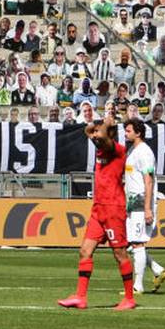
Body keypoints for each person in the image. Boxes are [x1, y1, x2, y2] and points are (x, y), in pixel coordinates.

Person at [57, 115, 135, 310]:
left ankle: (129, 298)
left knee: (120, 254)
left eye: (101, 131)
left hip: (113, 209)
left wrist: (108, 123)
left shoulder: (116, 149)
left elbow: (101, 136)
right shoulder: (101, 146)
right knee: (84, 250)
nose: (96, 136)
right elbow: (88, 131)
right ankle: (80, 297)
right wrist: (98, 122)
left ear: (109, 134)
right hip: (98, 208)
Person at [123, 119, 165, 295]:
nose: (125, 133)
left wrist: (148, 208)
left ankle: (138, 285)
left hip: (141, 203)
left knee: (137, 243)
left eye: (128, 131)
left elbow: (148, 181)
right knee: (130, 244)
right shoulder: (133, 151)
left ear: (138, 133)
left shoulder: (144, 152)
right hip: (133, 202)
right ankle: (157, 270)